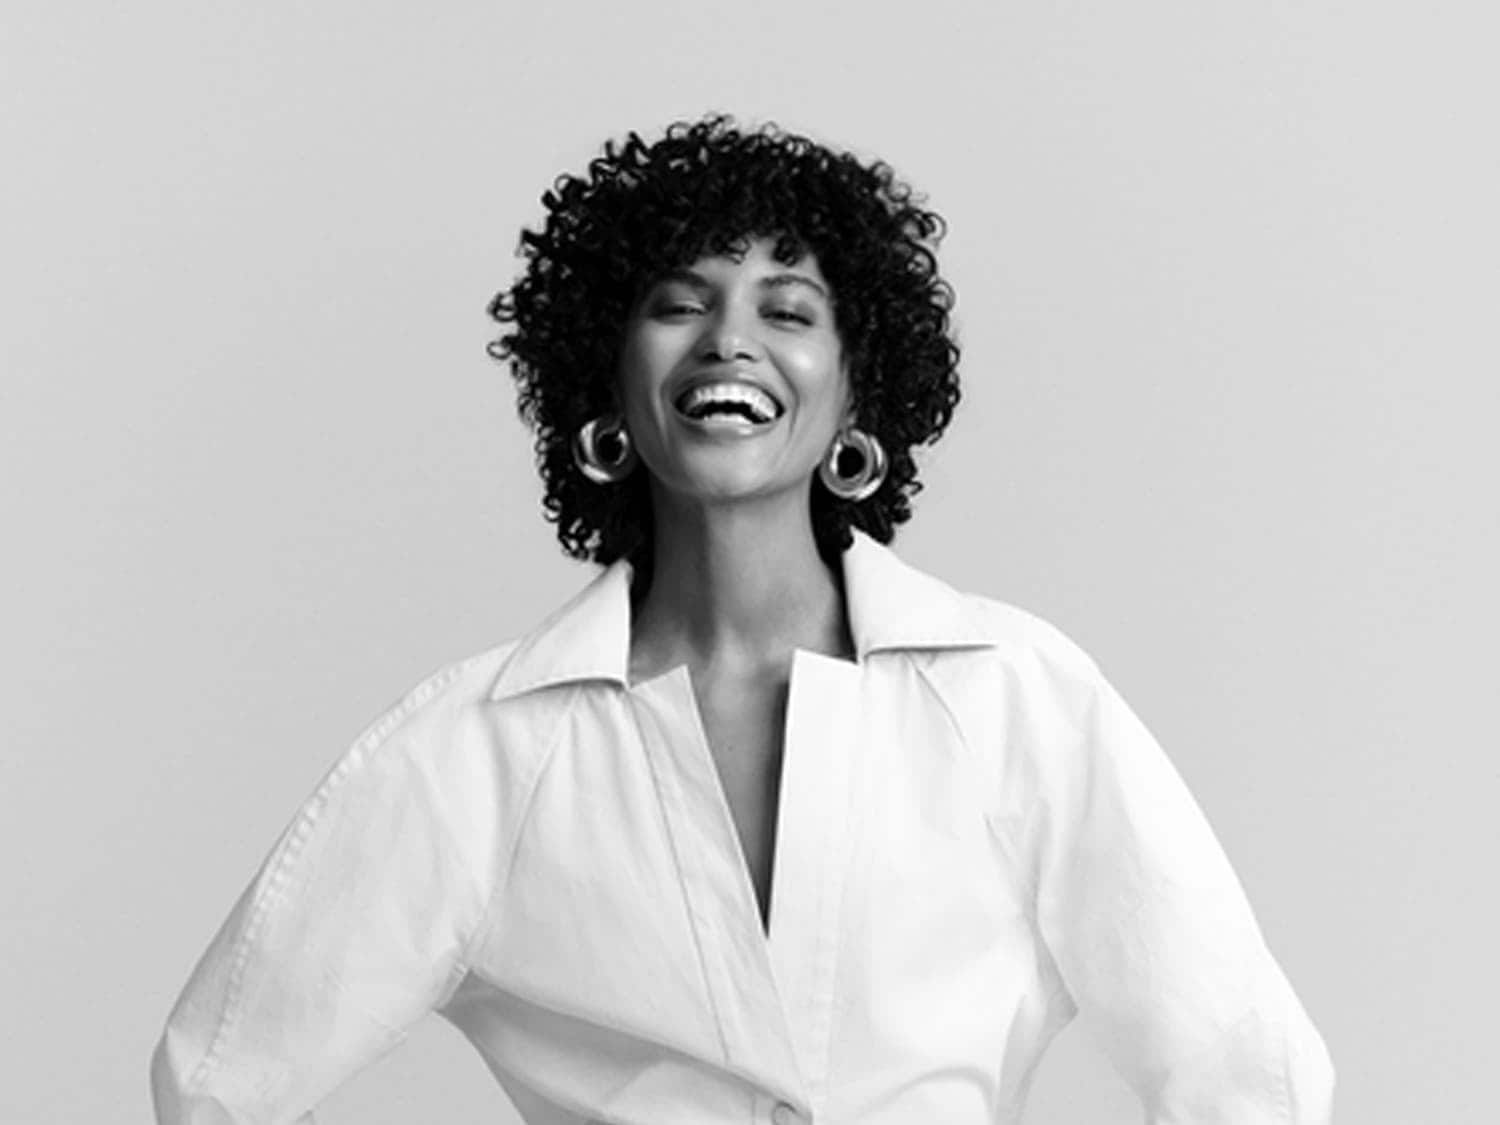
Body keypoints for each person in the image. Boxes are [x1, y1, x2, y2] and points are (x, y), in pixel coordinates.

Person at [151, 115, 1335, 1124]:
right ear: (608, 382)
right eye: (680, 304)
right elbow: (217, 1084)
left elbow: (1248, 1079)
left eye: (788, 310)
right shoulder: (482, 750)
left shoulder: (1012, 698)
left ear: (858, 390)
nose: (729, 339)